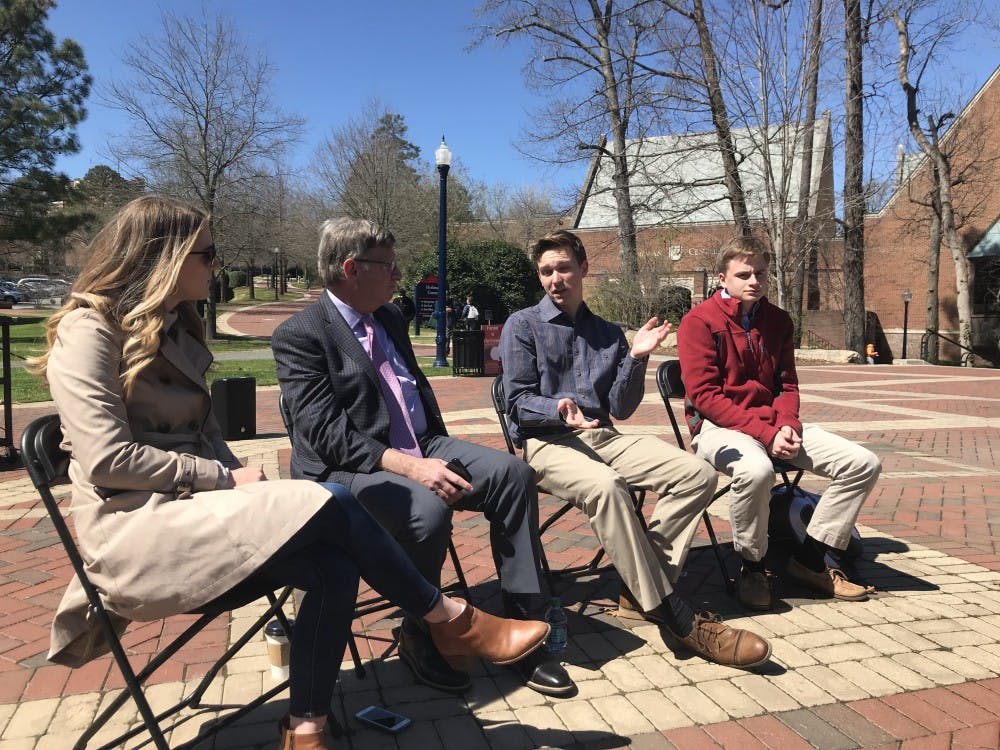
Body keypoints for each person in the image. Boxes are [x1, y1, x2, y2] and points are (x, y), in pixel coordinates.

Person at [29, 196, 549, 750]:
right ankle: (448, 619)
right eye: (208, 254)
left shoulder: (176, 328)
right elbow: (110, 460)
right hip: (136, 529)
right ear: (165, 258)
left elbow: (204, 436)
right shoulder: (88, 330)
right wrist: (225, 480)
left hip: (203, 513)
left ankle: (306, 729)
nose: (217, 265)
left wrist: (229, 478)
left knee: (332, 566)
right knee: (331, 501)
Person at [271, 217, 575, 697]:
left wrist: (429, 454)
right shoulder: (302, 334)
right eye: (388, 266)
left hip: (423, 443)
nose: (398, 275)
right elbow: (326, 435)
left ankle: (523, 627)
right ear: (351, 268)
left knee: (515, 475)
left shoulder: (389, 316)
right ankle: (420, 628)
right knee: (426, 511)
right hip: (347, 470)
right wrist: (411, 466)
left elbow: (411, 394)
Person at [500, 229, 771, 671]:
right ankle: (674, 614)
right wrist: (558, 407)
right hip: (547, 442)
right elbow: (516, 401)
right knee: (608, 487)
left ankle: (641, 582)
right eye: (546, 271)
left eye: (564, 268)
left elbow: (620, 408)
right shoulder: (523, 325)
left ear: (583, 269)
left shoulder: (606, 333)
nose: (555, 279)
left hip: (604, 436)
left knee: (697, 474)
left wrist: (637, 357)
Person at [677, 236, 881, 612]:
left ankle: (811, 559)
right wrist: (767, 434)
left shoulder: (779, 321)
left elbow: (787, 384)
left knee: (862, 463)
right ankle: (753, 567)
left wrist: (786, 425)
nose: (753, 280)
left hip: (775, 425)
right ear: (723, 277)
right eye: (743, 274)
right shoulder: (698, 322)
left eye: (760, 273)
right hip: (719, 428)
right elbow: (705, 397)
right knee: (756, 472)